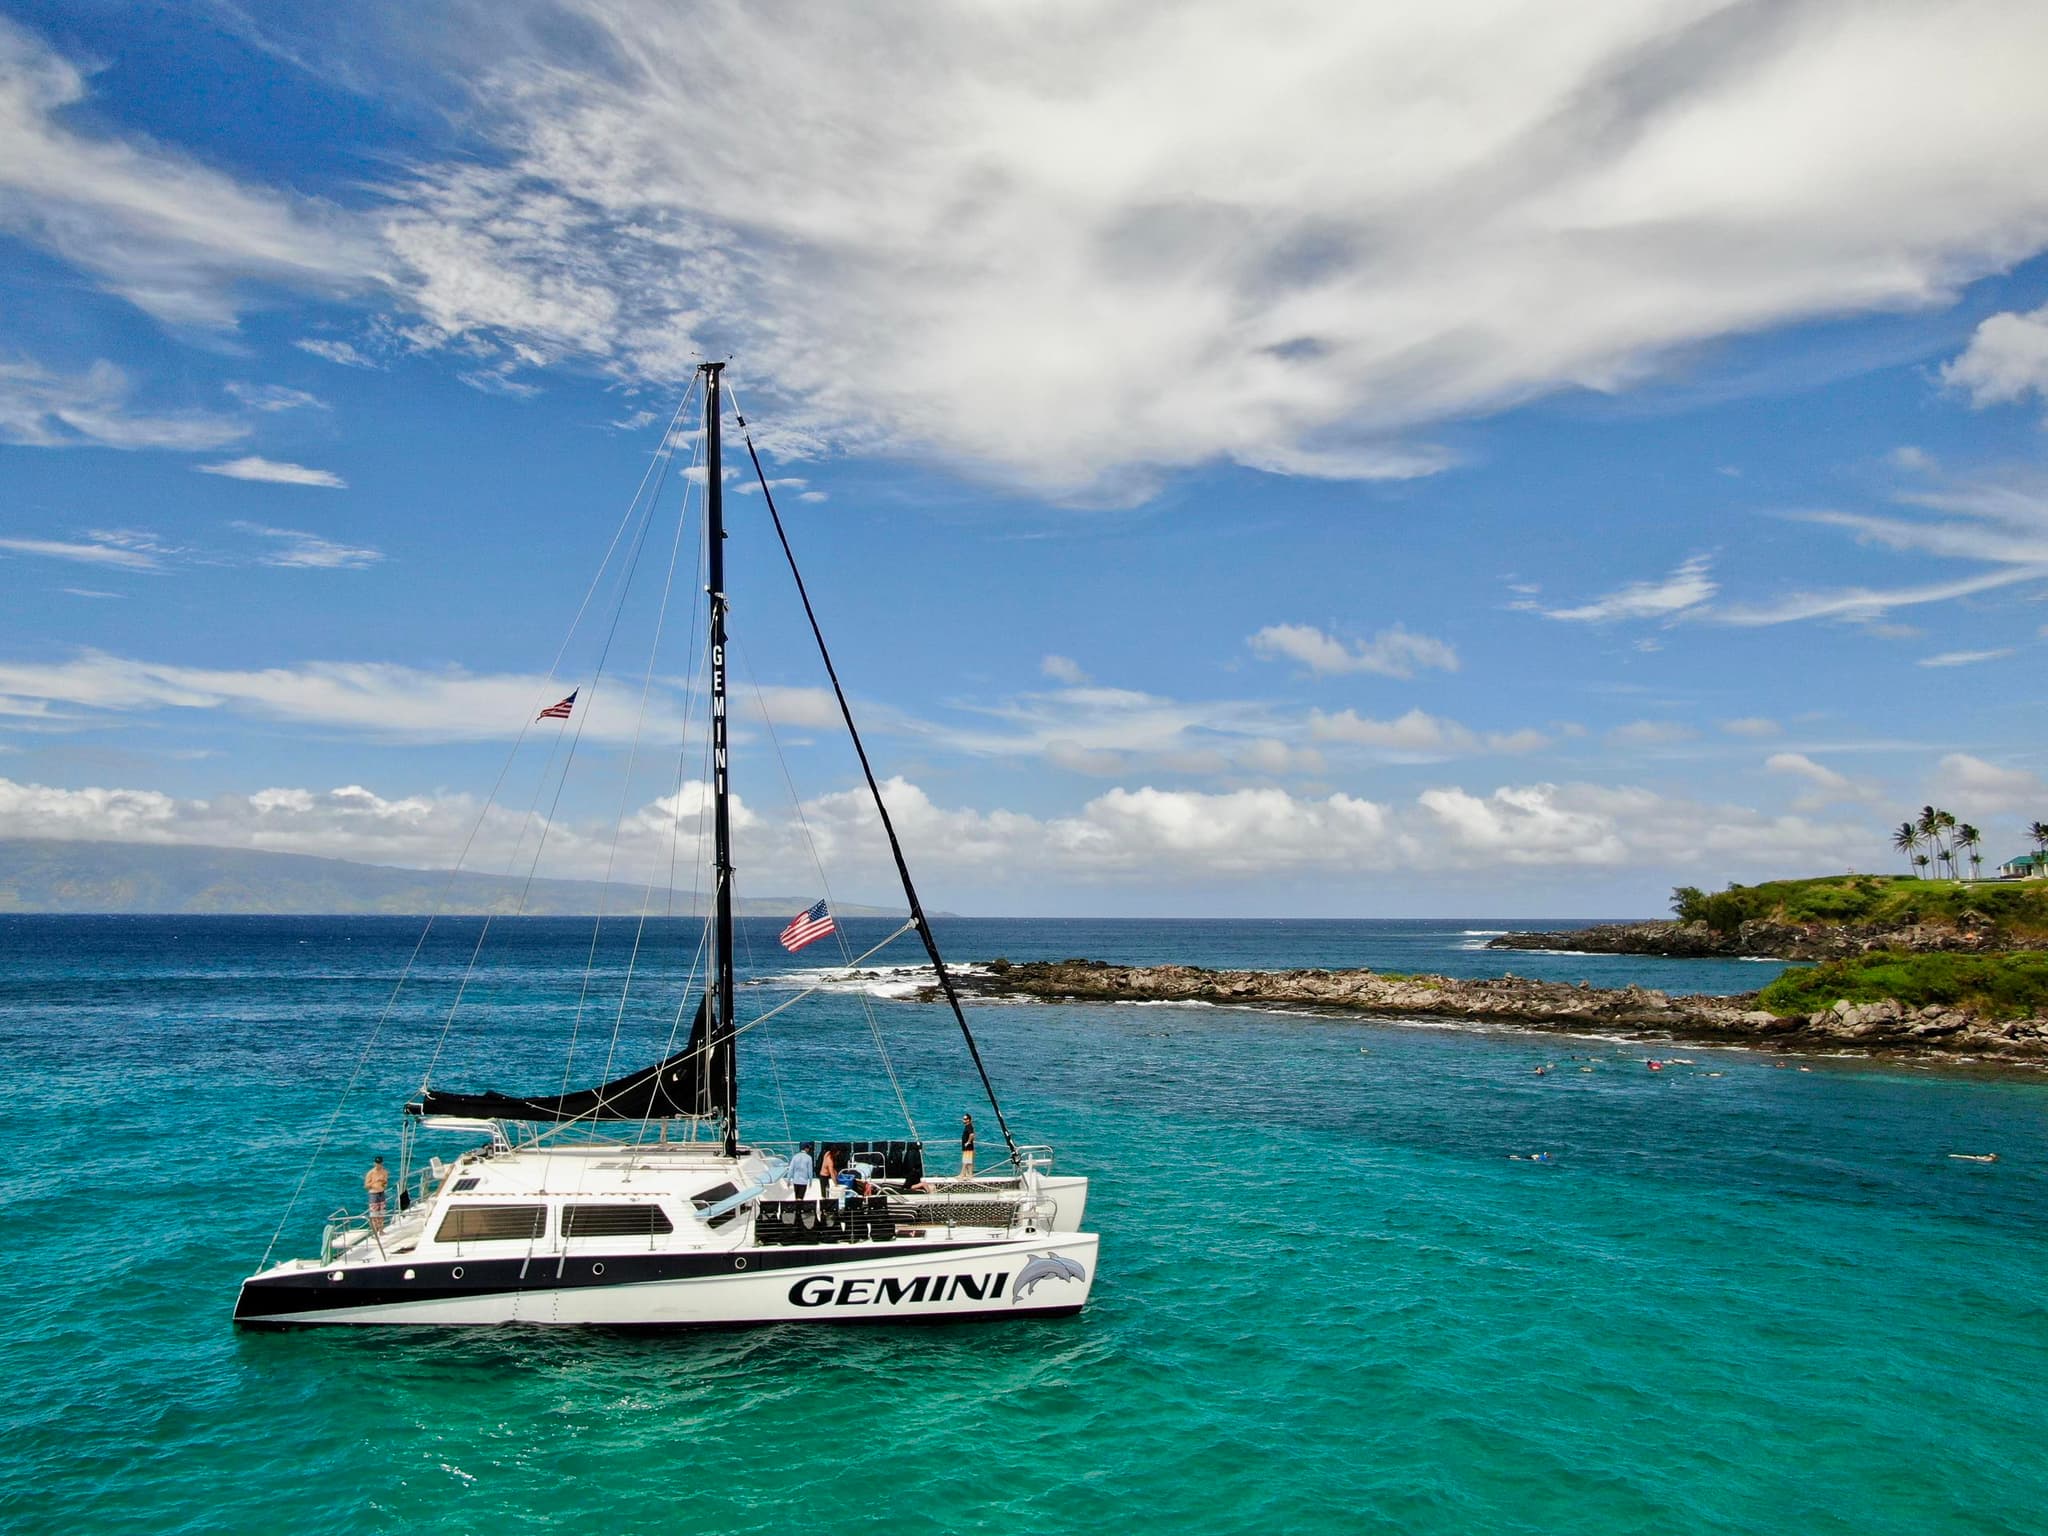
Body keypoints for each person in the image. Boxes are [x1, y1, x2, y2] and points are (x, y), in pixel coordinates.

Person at [364, 1155, 390, 1234]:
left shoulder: (384, 1172)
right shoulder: (370, 1173)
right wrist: (375, 1181)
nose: (378, 1165)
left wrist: (384, 1184)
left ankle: (381, 1230)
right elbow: (366, 1186)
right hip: (373, 1194)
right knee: (374, 1215)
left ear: (382, 1163)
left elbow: (386, 1183)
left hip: (381, 1193)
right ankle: (374, 1232)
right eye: (377, 1163)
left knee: (382, 1213)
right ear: (374, 1163)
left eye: (379, 1163)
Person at [960, 1113, 975, 1181]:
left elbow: (972, 1135)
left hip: (968, 1147)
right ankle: (969, 1175)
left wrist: (968, 1142)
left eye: (965, 1119)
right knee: (968, 1162)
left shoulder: (969, 1126)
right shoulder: (967, 1126)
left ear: (968, 1120)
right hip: (967, 1147)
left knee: (965, 1161)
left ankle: (962, 1175)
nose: (963, 1120)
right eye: (963, 1119)